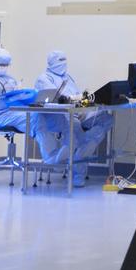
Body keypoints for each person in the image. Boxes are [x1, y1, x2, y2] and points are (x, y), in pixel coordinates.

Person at [32, 50, 114, 186]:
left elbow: (77, 95)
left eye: (64, 61)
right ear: (51, 63)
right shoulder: (44, 79)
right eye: (60, 61)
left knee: (106, 119)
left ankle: (82, 150)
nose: (63, 64)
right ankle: (77, 172)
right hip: (62, 116)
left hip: (78, 111)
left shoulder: (67, 78)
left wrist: (85, 100)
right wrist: (72, 100)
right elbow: (55, 100)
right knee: (75, 129)